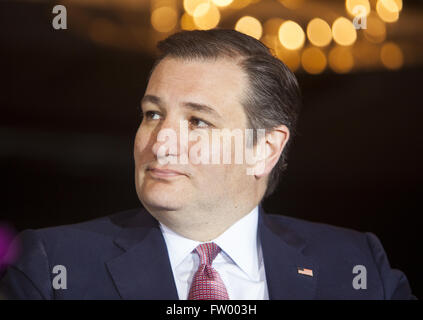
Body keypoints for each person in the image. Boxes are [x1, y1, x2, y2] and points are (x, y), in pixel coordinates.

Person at [0, 29, 415, 300]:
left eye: (197, 121)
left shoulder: (356, 265)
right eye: (152, 114)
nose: (161, 142)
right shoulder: (52, 265)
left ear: (265, 149)